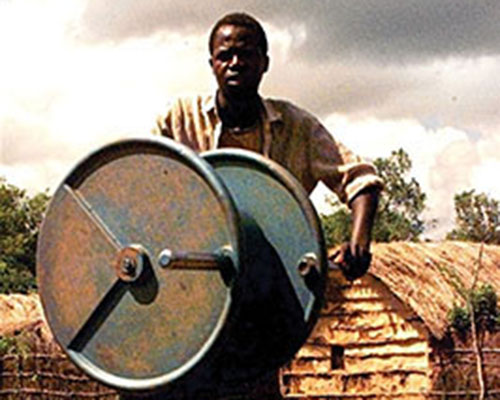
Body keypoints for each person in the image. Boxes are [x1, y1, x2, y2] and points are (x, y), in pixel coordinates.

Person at [154, 12, 383, 399]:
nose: (235, 63)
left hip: (258, 305)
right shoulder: (178, 121)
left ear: (265, 63)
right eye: (225, 55)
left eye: (246, 54)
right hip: (185, 301)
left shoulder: (296, 127)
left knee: (249, 388)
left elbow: (361, 180)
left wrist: (359, 241)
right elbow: (138, 186)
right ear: (211, 63)